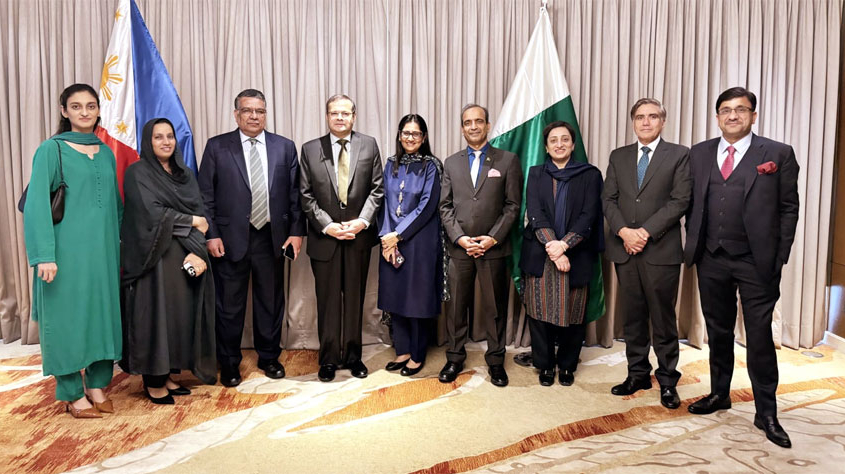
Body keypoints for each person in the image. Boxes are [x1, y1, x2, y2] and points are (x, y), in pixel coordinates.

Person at [684, 87, 799, 448]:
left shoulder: (777, 153)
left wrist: (778, 256)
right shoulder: (700, 153)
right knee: (717, 331)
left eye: (741, 109)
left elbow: (788, 208)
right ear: (717, 117)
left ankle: (767, 412)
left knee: (759, 337)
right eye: (726, 110)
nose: (733, 116)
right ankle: (720, 394)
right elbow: (692, 202)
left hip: (756, 261)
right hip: (711, 257)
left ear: (753, 115)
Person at [23, 83, 122, 418]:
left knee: (101, 318)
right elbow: (37, 204)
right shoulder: (51, 150)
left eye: (91, 106)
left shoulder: (105, 152)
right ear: (64, 111)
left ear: (98, 110)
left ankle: (97, 385)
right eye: (76, 106)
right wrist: (43, 256)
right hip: (64, 255)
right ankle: (71, 392)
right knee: (66, 320)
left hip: (102, 255)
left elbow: (115, 207)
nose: (84, 112)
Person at [197, 89, 306, 387]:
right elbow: (205, 196)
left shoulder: (284, 147)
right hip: (229, 239)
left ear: (265, 114)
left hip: (272, 237)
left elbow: (295, 195)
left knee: (270, 301)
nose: (254, 116)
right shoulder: (217, 147)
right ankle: (229, 362)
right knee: (228, 305)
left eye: (260, 111)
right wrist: (211, 235)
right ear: (237, 115)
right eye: (247, 110)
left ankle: (269, 357)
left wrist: (296, 232)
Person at [120, 118, 217, 404]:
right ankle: (153, 380)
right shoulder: (138, 172)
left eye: (170, 136)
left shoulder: (183, 173)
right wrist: (192, 221)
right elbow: (150, 215)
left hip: (183, 254)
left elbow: (200, 210)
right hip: (154, 259)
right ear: (148, 141)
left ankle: (169, 373)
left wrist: (196, 249)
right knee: (156, 317)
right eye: (158, 137)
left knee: (178, 316)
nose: (166, 142)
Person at [603, 99, 691, 409]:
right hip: (625, 249)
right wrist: (624, 232)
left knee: (663, 320)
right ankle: (637, 373)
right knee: (633, 317)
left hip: (661, 250)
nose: (645, 122)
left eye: (652, 117)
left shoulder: (679, 155)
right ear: (633, 122)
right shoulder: (618, 156)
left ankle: (667, 381)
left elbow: (680, 201)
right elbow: (608, 200)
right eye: (640, 117)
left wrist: (644, 233)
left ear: (662, 122)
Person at [300, 94, 384, 382]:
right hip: (325, 239)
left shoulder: (369, 145)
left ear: (353, 116)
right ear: (327, 117)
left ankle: (353, 357)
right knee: (328, 302)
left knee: (355, 299)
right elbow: (305, 195)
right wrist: (328, 225)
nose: (339, 117)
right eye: (334, 113)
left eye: (345, 113)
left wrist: (362, 222)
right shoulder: (310, 149)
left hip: (358, 237)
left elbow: (377, 189)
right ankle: (328, 359)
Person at [438, 104, 522, 387]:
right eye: (467, 122)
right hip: (459, 248)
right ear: (462, 128)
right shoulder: (451, 163)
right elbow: (445, 206)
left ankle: (496, 361)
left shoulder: (508, 160)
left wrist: (492, 238)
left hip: (493, 248)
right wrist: (460, 238)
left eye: (478, 121)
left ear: (487, 125)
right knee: (455, 308)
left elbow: (512, 206)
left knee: (495, 308)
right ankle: (454, 357)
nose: (473, 126)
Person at [519, 121, 603, 387]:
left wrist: (564, 246)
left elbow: (589, 215)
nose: (559, 144)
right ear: (546, 147)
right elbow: (535, 213)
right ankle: (544, 364)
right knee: (539, 313)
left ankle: (567, 365)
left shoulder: (590, 174)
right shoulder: (536, 173)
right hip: (541, 252)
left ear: (573, 144)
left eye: (565, 139)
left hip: (576, 252)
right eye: (553, 140)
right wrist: (554, 250)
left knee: (574, 314)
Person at [378, 114, 443, 377]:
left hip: (419, 241)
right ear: (399, 135)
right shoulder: (390, 164)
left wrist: (398, 235)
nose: (410, 138)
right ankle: (402, 350)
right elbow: (383, 201)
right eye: (406, 133)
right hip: (390, 241)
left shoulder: (432, 166)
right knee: (395, 296)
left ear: (424, 137)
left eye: (416, 133)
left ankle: (417, 354)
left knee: (416, 299)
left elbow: (427, 206)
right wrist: (386, 237)